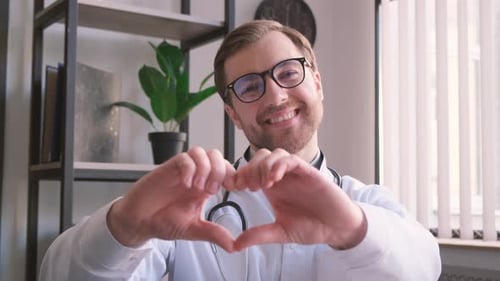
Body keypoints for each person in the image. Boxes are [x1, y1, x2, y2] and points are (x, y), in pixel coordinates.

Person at [39, 19, 441, 281]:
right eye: (251, 86)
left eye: (288, 72)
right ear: (232, 113)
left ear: (317, 83)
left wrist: (351, 229)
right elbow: (60, 274)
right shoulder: (186, 208)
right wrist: (125, 225)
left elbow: (424, 266)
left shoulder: (364, 205)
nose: (276, 95)